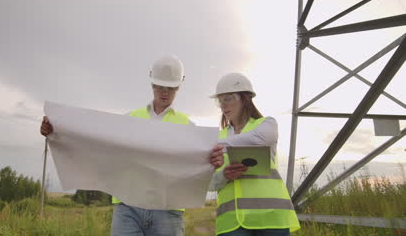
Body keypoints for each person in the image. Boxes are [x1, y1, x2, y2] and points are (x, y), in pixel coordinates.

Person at [41, 56, 219, 236]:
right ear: (152, 85)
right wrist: (57, 129)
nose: (165, 92)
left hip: (168, 210)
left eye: (171, 88)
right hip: (128, 208)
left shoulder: (188, 127)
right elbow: (95, 138)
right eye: (160, 87)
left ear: (178, 87)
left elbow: (204, 160)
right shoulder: (129, 119)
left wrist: (214, 159)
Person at [208, 73, 300, 236]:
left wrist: (218, 146)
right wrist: (224, 175)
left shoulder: (266, 125)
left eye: (228, 98)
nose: (223, 105)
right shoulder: (218, 137)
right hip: (232, 224)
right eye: (220, 100)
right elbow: (209, 184)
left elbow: (260, 139)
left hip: (271, 218)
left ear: (244, 99)